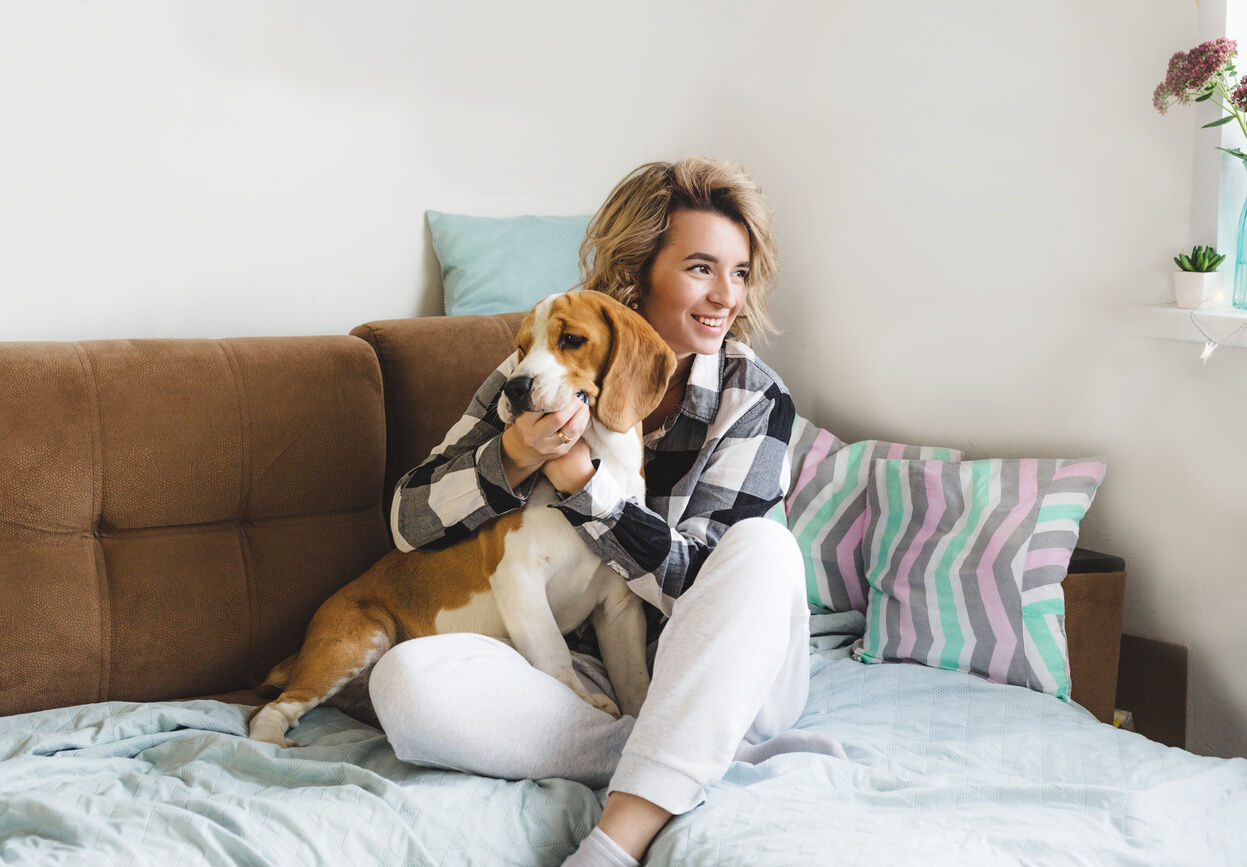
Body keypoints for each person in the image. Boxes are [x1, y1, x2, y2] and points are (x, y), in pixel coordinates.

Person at [371, 156, 844, 867]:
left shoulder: (754, 397)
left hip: (732, 672)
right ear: (637, 270)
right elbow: (409, 523)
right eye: (701, 268)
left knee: (763, 547)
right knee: (403, 682)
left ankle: (616, 838)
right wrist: (511, 456)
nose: (725, 296)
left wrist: (583, 485)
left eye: (740, 272)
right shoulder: (536, 369)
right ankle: (681, 759)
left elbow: (698, 587)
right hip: (603, 678)